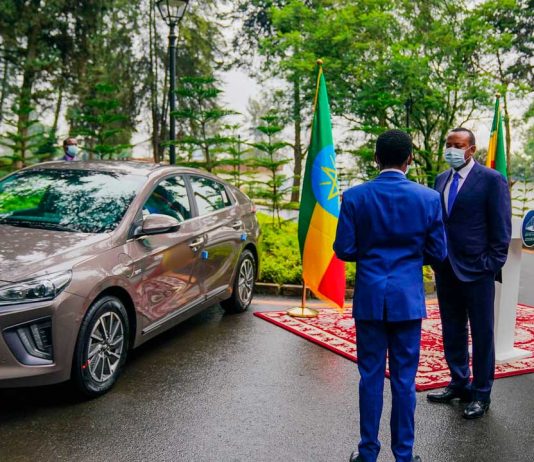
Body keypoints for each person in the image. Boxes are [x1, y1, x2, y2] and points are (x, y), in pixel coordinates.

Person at [334, 129, 447, 462]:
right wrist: (409, 258)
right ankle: (404, 455)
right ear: (409, 158)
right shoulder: (429, 198)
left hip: (370, 297)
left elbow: (344, 249)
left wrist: (371, 254)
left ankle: (368, 452)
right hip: (407, 299)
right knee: (404, 380)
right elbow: (439, 252)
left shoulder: (354, 197)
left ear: (376, 158)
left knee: (370, 376)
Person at [427, 128, 511, 419]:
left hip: (478, 271)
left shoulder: (491, 180)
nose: (451, 149)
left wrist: (490, 264)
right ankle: (459, 382)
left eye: (458, 145)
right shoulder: (441, 179)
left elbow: (501, 228)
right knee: (452, 329)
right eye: (448, 144)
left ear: (471, 149)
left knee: (482, 333)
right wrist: (435, 257)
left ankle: (481, 393)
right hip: (446, 268)